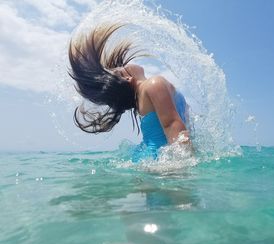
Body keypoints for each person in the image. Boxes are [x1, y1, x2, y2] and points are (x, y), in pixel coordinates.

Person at [68, 23, 191, 161]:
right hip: (158, 165)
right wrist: (183, 172)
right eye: (120, 68)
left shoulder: (143, 97)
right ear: (127, 79)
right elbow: (171, 124)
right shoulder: (152, 84)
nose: (124, 64)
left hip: (150, 161)